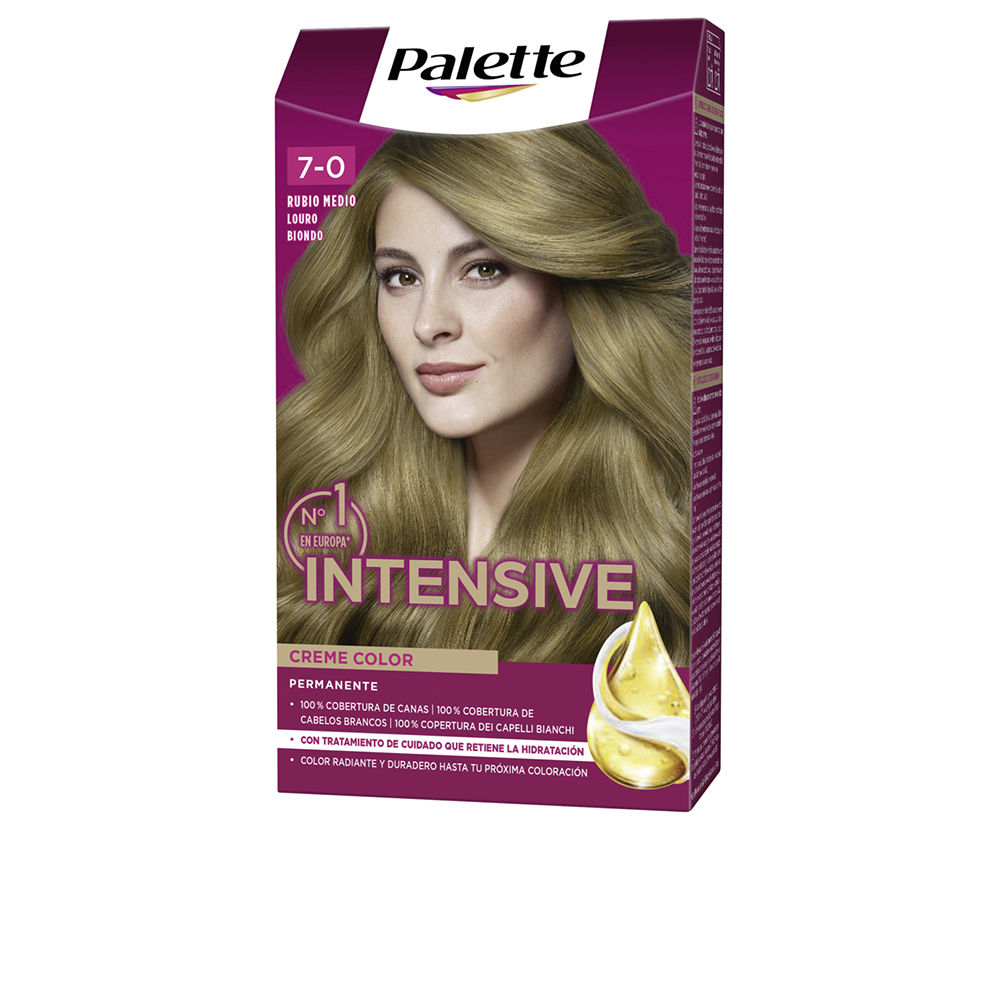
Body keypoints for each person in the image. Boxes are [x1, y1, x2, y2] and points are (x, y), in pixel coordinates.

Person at [277, 124, 691, 666]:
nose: (428, 324)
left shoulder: (675, 541)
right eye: (400, 277)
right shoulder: (331, 523)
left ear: (578, 280)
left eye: (483, 270)